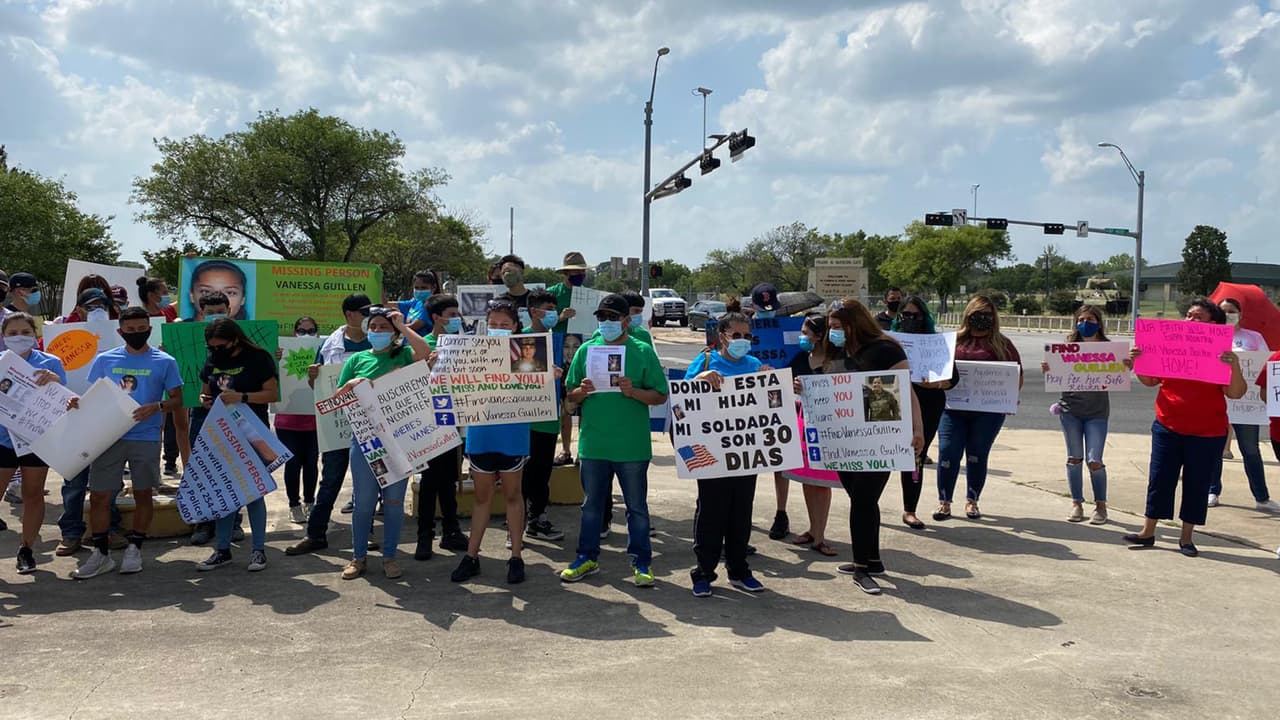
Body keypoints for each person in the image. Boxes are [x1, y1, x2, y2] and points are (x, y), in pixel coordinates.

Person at [560, 294, 669, 587]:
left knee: (636, 508)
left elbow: (660, 395)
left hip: (632, 446)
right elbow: (570, 396)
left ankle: (642, 562)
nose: (606, 322)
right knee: (591, 506)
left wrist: (634, 392)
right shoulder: (586, 350)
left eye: (612, 317)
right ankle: (587, 557)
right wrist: (580, 392)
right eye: (602, 317)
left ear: (626, 320)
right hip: (594, 444)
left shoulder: (643, 351)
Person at [1126, 299, 1248, 555]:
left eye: (1198, 317)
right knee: (1160, 479)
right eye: (1188, 316)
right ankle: (1148, 531)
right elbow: (1149, 381)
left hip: (1207, 433)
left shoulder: (1221, 357)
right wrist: (1139, 361)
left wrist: (1234, 365)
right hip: (1167, 426)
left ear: (1213, 324)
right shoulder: (1169, 347)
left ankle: (1186, 538)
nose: (1190, 321)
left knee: (1197, 483)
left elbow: (1236, 393)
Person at [70, 306, 183, 579]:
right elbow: (92, 396)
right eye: (130, 330)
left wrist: (156, 406)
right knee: (99, 495)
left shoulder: (165, 361)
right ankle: (101, 554)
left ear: (150, 329)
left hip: (145, 436)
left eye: (141, 329)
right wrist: (76, 403)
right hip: (109, 436)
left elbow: (178, 399)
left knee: (144, 493)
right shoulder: (105, 359)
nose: (136, 334)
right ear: (120, 332)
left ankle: (135, 547)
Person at [825, 300, 924, 595]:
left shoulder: (886, 349)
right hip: (846, 436)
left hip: (880, 433)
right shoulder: (841, 351)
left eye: (838, 327)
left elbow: (907, 390)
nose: (834, 333)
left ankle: (860, 567)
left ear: (855, 324)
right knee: (860, 496)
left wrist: (917, 429)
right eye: (831, 328)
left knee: (864, 499)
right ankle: (873, 558)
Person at [335, 306, 431, 580]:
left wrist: (402, 325)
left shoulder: (402, 353)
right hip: (365, 440)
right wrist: (352, 383)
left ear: (394, 333)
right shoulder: (357, 360)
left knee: (393, 502)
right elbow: (338, 400)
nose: (377, 331)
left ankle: (390, 557)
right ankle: (358, 557)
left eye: (383, 327)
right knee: (363, 503)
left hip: (400, 440)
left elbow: (424, 353)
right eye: (373, 327)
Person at [684, 311, 775, 596]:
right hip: (711, 454)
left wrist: (774, 383)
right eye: (737, 335)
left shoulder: (755, 364)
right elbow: (683, 398)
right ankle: (703, 572)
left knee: (740, 513)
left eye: (747, 336)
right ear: (721, 336)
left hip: (745, 454)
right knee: (711, 513)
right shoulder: (707, 360)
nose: (743, 341)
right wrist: (700, 377)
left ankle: (739, 570)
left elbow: (771, 405)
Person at [451, 300, 533, 584]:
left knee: (513, 495)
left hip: (513, 436)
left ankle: (516, 557)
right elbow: (452, 383)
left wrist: (550, 377)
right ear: (486, 326)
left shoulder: (528, 354)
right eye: (494, 324)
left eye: (505, 325)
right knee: (482, 498)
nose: (499, 329)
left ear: (516, 327)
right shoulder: (470, 353)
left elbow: (539, 392)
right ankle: (472, 556)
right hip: (481, 435)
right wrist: (438, 366)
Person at [287, 293, 373, 556]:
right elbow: (319, 388)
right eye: (364, 313)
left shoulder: (378, 340)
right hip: (338, 426)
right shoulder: (328, 347)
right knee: (331, 479)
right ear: (349, 315)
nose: (369, 319)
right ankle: (315, 534)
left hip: (371, 423)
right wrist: (314, 377)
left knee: (367, 483)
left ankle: (364, 535)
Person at [193, 319, 280, 572]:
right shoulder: (213, 358)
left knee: (253, 490)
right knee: (225, 491)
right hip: (222, 432)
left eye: (222, 346)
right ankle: (222, 550)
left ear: (235, 339)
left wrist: (242, 397)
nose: (217, 351)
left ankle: (258, 551)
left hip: (252, 432)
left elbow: (272, 393)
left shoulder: (258, 357)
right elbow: (205, 389)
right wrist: (205, 399)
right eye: (213, 347)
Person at [934, 295, 1022, 522]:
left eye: (987, 314)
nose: (982, 318)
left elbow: (1016, 375)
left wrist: (1010, 397)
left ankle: (972, 500)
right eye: (976, 314)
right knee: (947, 451)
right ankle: (944, 502)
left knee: (977, 455)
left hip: (988, 413)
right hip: (952, 408)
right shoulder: (952, 341)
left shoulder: (1003, 344)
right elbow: (936, 371)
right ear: (967, 315)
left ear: (994, 317)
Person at [1039, 305, 1126, 524]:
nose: (1085, 323)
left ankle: (1101, 506)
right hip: (1070, 410)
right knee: (1074, 458)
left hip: (1097, 412)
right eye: (1080, 319)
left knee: (1094, 460)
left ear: (1099, 322)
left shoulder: (1110, 348)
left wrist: (1126, 365)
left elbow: (1120, 374)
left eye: (1090, 319)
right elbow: (1056, 373)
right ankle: (1076, 503)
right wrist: (1048, 369)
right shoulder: (1067, 347)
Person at [0, 312, 68, 573]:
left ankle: (26, 549)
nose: (19, 337)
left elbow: (66, 401)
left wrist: (56, 382)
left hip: (36, 440)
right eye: (13, 333)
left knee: (33, 494)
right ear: (4, 336)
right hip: (3, 439)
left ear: (36, 335)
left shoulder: (51, 363)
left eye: (25, 332)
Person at [889, 296, 957, 530]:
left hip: (929, 402)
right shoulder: (889, 340)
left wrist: (936, 384)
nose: (910, 319)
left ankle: (910, 510)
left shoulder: (937, 343)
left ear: (924, 318)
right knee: (885, 451)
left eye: (915, 315)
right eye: (905, 315)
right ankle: (869, 502)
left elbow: (953, 378)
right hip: (895, 401)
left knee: (916, 455)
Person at [413, 294, 469, 560]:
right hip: (428, 423)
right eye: (452, 315)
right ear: (436, 318)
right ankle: (425, 536)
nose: (456, 319)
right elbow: (407, 382)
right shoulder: (423, 345)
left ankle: (451, 529)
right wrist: (426, 366)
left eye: (458, 315)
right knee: (430, 481)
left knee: (449, 478)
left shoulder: (465, 344)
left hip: (455, 420)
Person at [1211, 297, 1277, 511]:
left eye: (1232, 311)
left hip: (1247, 406)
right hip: (1217, 400)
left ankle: (1261, 497)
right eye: (1224, 311)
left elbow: (1266, 365)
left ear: (1240, 314)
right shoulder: (1211, 336)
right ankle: (1213, 490)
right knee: (1214, 449)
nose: (1228, 314)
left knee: (1250, 449)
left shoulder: (1254, 337)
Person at [517, 290, 567, 543]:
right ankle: (518, 521)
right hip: (524, 421)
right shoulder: (519, 340)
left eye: (554, 309)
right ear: (533, 311)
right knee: (521, 474)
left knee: (541, 473)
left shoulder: (556, 341)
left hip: (548, 421)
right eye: (548, 308)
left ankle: (537, 518)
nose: (553, 314)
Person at [276, 316, 321, 524]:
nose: (306, 335)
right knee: (292, 463)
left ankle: (310, 502)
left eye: (311, 331)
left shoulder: (323, 352)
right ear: (294, 332)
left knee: (311, 463)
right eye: (302, 331)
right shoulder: (281, 352)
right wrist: (276, 359)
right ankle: (294, 504)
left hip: (314, 420)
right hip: (287, 420)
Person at [545, 252, 586, 465]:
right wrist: (560, 316)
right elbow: (541, 323)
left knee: (585, 404)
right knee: (564, 405)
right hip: (561, 351)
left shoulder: (590, 294)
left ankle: (583, 452)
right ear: (565, 273)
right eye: (575, 272)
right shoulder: (552, 294)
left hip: (585, 351)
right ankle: (565, 450)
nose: (579, 274)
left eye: (581, 271)